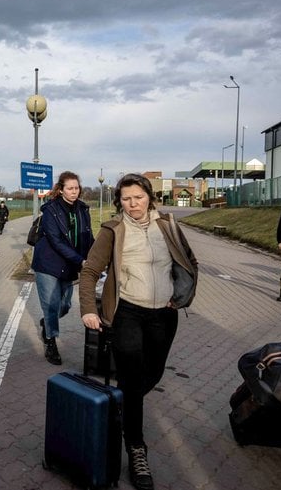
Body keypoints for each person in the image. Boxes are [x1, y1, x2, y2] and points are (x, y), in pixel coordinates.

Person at [78, 173, 197, 490]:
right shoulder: (112, 230)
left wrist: (182, 296)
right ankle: (136, 448)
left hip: (164, 314)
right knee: (131, 380)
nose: (133, 204)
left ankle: (116, 409)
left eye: (138, 197)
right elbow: (90, 271)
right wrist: (89, 309)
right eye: (126, 199)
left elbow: (187, 261)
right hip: (128, 312)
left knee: (154, 373)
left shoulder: (167, 225)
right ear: (120, 201)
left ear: (149, 197)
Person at [31, 171, 94, 364]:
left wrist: (95, 257)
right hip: (48, 263)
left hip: (69, 263)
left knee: (65, 305)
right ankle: (51, 341)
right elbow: (56, 242)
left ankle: (47, 322)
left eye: (76, 188)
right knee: (51, 305)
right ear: (61, 189)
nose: (74, 192)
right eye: (70, 188)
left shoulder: (82, 209)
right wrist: (81, 261)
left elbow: (88, 237)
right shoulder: (51, 209)